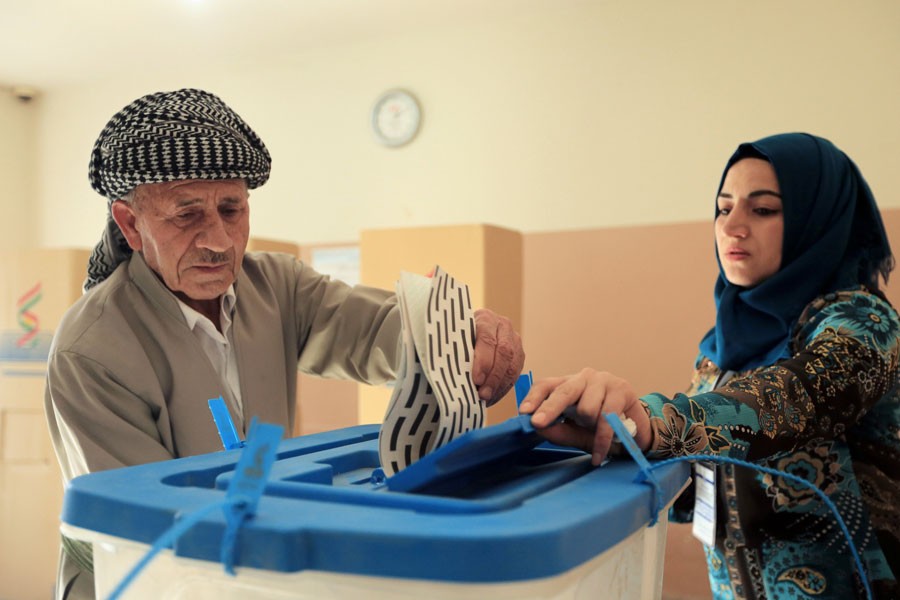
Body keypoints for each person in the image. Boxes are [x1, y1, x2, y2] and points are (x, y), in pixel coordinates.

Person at [44, 88, 525, 599]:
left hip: (257, 567)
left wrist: (453, 332)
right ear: (130, 225)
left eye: (232, 209)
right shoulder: (91, 350)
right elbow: (150, 525)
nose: (219, 241)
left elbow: (374, 329)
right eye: (186, 215)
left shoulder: (274, 287)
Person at [519, 133, 898, 599]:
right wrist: (611, 444)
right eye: (723, 208)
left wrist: (649, 419)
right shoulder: (720, 351)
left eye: (763, 210)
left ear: (816, 220)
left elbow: (796, 399)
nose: (732, 227)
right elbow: (698, 482)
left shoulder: (863, 324)